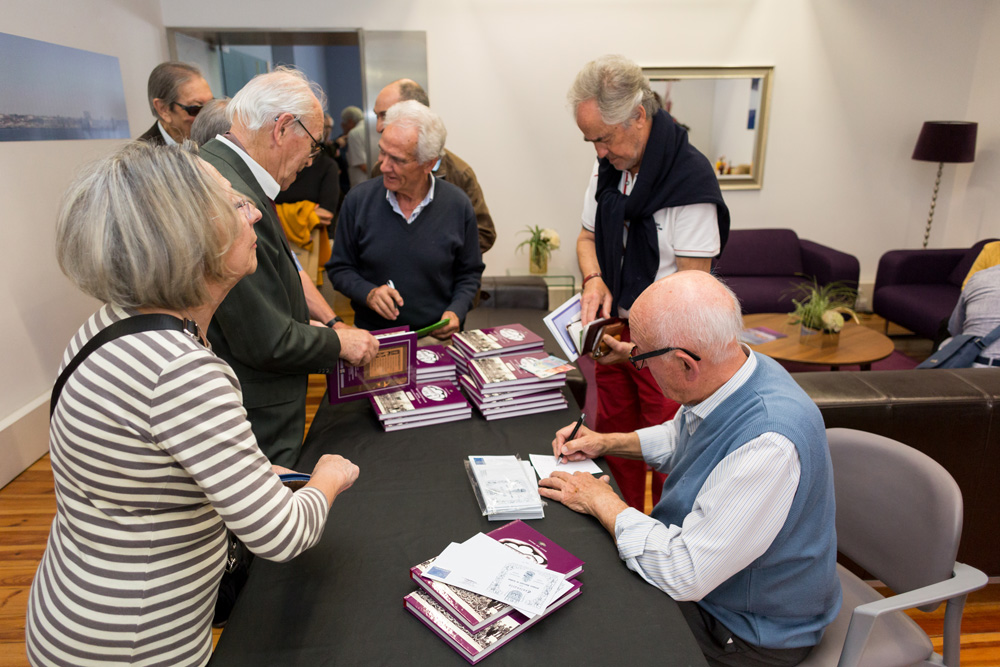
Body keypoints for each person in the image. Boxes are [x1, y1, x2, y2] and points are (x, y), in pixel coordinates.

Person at [26, 142, 360, 667]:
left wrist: (250, 472)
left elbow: (142, 467)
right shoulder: (181, 368)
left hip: (75, 610)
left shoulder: (110, 323)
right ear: (190, 238)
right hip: (136, 639)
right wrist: (329, 476)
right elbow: (283, 533)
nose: (254, 213)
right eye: (236, 204)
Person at [539, 271, 840, 667]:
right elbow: (684, 433)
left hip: (747, 630)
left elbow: (685, 573)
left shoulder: (769, 445)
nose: (638, 365)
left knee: (582, 628)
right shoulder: (737, 367)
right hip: (712, 583)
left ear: (685, 364)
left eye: (642, 358)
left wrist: (603, 501)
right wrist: (606, 442)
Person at [568, 54, 731, 510]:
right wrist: (594, 278)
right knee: (611, 437)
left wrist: (643, 347)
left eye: (603, 138)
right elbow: (586, 237)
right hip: (615, 330)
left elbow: (694, 291)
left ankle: (664, 532)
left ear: (638, 116)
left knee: (669, 451)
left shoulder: (690, 182)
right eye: (591, 141)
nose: (599, 153)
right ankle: (617, 517)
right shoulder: (609, 168)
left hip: (667, 342)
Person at [200, 66, 378, 467]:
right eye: (313, 146)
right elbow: (266, 340)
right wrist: (339, 343)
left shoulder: (225, 169)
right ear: (281, 128)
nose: (312, 162)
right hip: (255, 416)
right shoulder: (231, 195)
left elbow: (258, 304)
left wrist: (319, 323)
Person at [328, 100, 484, 338]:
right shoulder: (358, 201)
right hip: (373, 341)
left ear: (429, 163)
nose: (383, 166)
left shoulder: (457, 205)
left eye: (397, 160)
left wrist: (456, 311)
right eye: (382, 152)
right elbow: (340, 269)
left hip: (436, 340)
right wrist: (368, 293)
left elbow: (470, 273)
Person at [371, 79, 496, 254]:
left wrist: (437, 255)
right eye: (377, 116)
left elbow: (484, 233)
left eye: (386, 115)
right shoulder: (379, 170)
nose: (379, 127)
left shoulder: (459, 174)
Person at [137, 61, 214, 145]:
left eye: (211, 105)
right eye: (196, 109)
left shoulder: (217, 140)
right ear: (163, 109)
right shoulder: (140, 152)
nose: (209, 116)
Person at [948, 264, 1000, 366]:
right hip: (991, 371)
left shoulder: (978, 277)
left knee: (946, 343)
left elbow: (955, 329)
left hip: (966, 363)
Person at [344, 106, 370, 189]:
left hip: (362, 183)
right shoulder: (370, 128)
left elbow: (362, 164)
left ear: (350, 121)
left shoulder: (354, 133)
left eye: (345, 124)